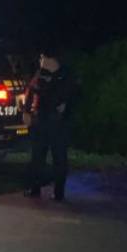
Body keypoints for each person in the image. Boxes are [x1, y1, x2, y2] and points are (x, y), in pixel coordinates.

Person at [24, 45, 77, 201]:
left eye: (41, 58)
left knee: (59, 158)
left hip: (58, 123)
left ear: (48, 59)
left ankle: (59, 192)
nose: (40, 61)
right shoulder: (40, 75)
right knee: (37, 157)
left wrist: (66, 107)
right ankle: (34, 189)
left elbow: (74, 96)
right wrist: (27, 111)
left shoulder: (66, 76)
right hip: (41, 120)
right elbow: (30, 92)